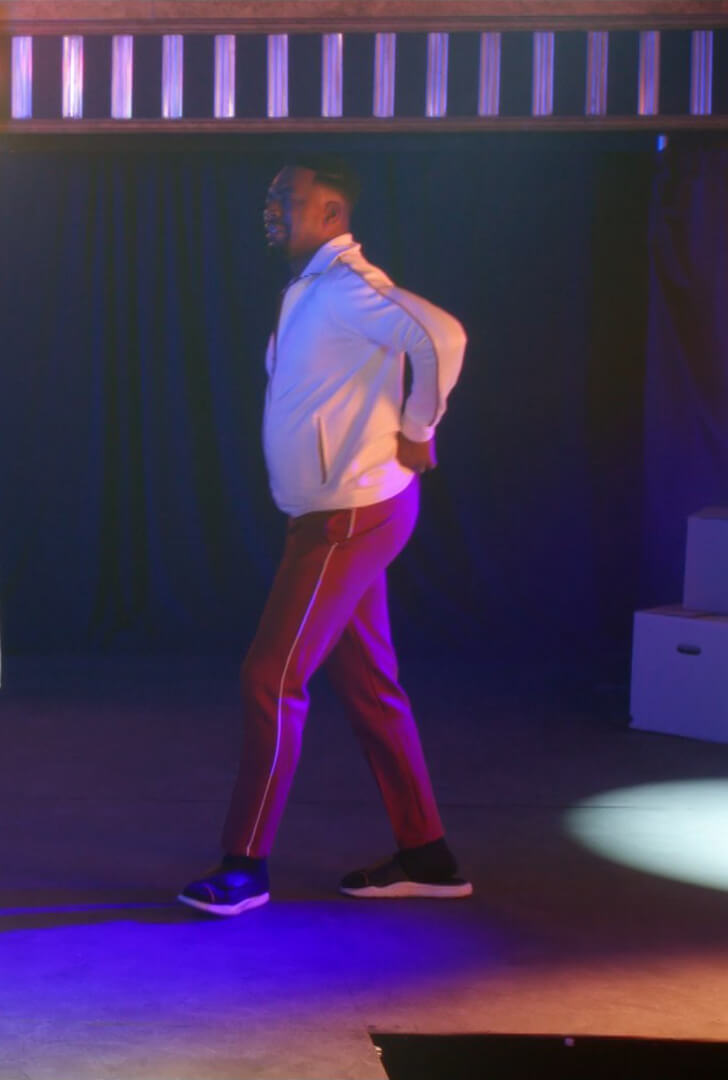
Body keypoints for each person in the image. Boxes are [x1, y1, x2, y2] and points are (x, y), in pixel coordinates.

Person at [179, 155, 472, 918]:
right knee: (371, 687)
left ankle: (244, 867)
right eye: (270, 195)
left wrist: (419, 428)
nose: (271, 206)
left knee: (270, 677)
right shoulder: (309, 290)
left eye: (288, 197)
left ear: (332, 213)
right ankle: (428, 857)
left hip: (350, 517)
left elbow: (442, 336)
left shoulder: (346, 286)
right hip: (334, 516)